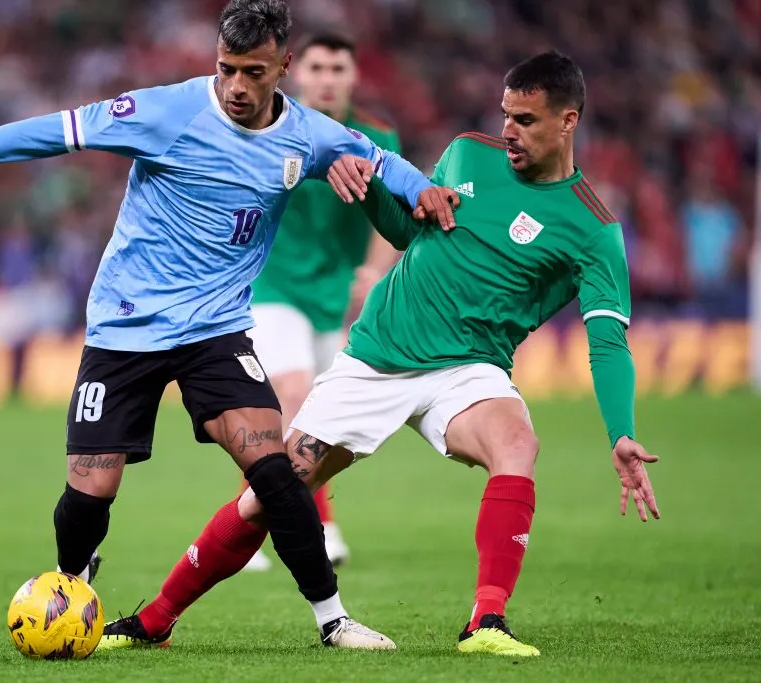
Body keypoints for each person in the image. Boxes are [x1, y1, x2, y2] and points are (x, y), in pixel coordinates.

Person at [0, 0, 445, 649]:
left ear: (283, 66)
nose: (238, 87)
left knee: (274, 469)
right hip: (125, 329)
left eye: (252, 72)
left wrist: (423, 191)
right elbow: (50, 131)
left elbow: (380, 159)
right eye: (226, 70)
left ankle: (334, 618)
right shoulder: (165, 112)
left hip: (215, 331)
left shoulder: (305, 134)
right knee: (92, 487)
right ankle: (70, 582)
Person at [101, 51, 660, 657]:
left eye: (525, 120)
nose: (508, 131)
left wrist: (620, 433)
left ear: (568, 121)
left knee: (517, 442)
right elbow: (407, 231)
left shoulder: (593, 229)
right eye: (505, 115)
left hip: (468, 371)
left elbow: (607, 342)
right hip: (378, 357)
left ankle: (487, 621)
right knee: (267, 498)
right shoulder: (470, 154)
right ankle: (155, 618)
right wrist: (366, 189)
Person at [243, 32, 404, 572]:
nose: (328, 78)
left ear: (354, 77)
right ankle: (302, 524)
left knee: (320, 418)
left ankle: (260, 523)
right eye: (318, 67)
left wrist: (374, 271)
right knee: (291, 394)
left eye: (339, 68)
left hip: (336, 298)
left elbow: (393, 213)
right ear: (296, 72)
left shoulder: (377, 137)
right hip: (272, 287)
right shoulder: (267, 129)